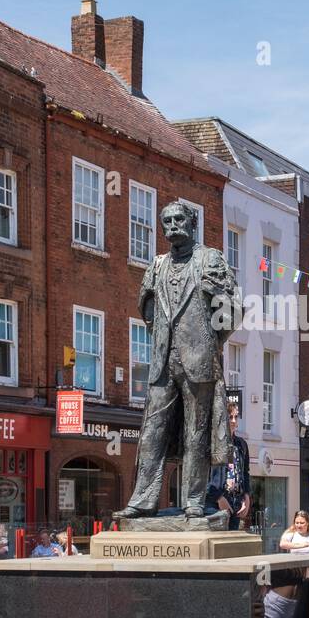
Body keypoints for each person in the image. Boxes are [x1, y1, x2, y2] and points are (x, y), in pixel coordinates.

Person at [115, 200, 238, 522]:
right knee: (151, 431)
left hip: (198, 360)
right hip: (163, 361)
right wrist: (162, 339)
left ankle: (194, 500)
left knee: (196, 433)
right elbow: (148, 310)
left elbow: (233, 308)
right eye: (166, 221)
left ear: (192, 222)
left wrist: (211, 342)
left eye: (178, 219)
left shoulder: (210, 258)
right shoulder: (156, 265)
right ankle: (142, 500)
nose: (172, 225)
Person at [206, 402, 252, 530]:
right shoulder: (211, 443)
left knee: (231, 545)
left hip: (236, 502)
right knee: (215, 544)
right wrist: (219, 498)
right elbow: (201, 475)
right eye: (229, 417)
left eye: (236, 417)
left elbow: (245, 473)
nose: (233, 421)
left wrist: (246, 498)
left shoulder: (241, 444)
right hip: (214, 502)